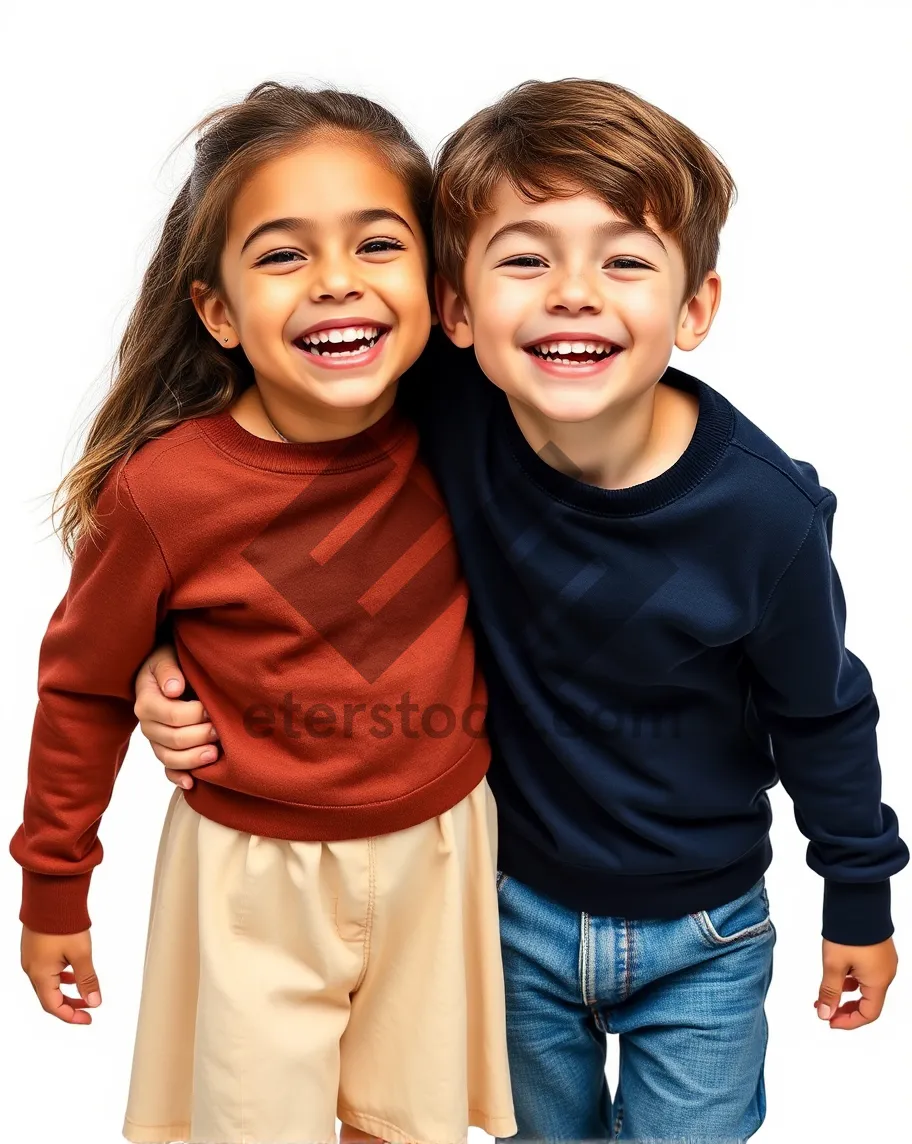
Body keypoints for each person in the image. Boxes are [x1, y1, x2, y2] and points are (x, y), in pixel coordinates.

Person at [136, 78, 909, 1142]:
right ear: (456, 308)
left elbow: (824, 710)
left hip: (706, 929)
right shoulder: (441, 416)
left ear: (695, 309)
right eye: (526, 259)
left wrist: (859, 891)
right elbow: (238, 503)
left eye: (625, 260)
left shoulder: (758, 516)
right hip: (508, 915)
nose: (574, 292)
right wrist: (165, 648)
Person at [11, 80, 516, 1144]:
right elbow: (84, 682)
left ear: (438, 286)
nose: (336, 282)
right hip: (250, 875)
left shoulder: (478, 426)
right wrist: (54, 882)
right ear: (217, 310)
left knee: (406, 1126)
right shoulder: (167, 490)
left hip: (441, 852)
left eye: (378, 245)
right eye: (283, 255)